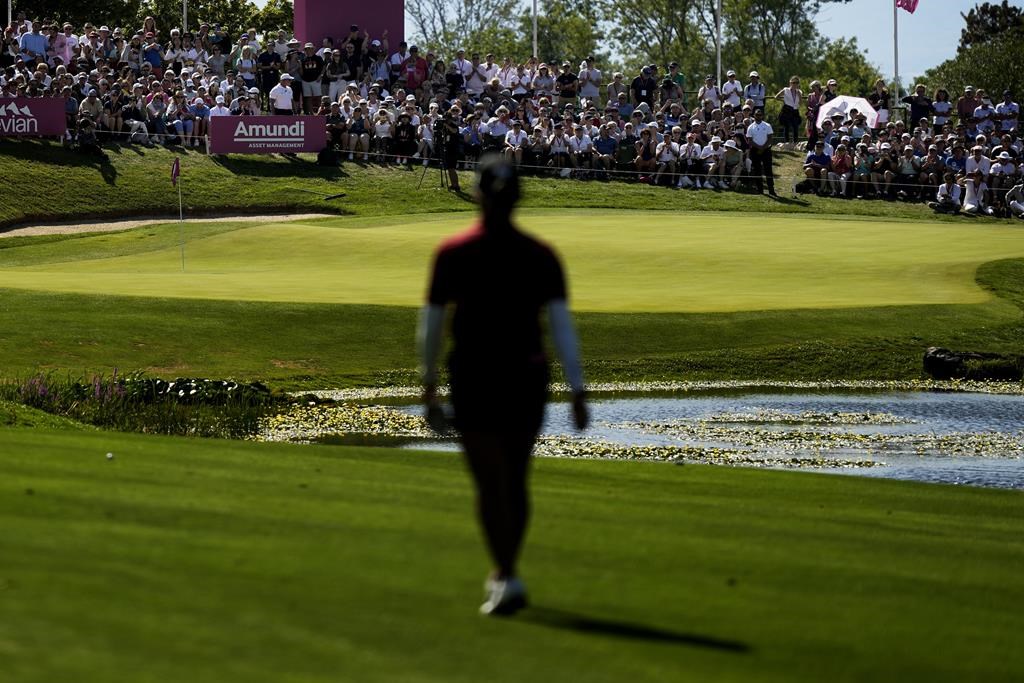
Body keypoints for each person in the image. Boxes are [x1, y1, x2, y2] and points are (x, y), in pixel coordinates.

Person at [418, 155, 589, 617]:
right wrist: (577, 388)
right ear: (517, 198)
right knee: (515, 477)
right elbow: (562, 327)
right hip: (525, 375)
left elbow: (432, 325)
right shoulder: (540, 254)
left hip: (474, 376)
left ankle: (505, 574)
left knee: (490, 482)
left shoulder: (453, 252)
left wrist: (428, 380)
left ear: (477, 194)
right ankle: (507, 573)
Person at [746, 108, 776, 196]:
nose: (758, 116)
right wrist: (759, 148)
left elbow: (770, 138)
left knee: (768, 170)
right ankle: (760, 190)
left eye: (760, 115)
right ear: (754, 116)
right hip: (755, 150)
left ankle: (771, 190)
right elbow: (750, 140)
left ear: (762, 116)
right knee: (757, 170)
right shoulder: (750, 127)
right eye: (756, 115)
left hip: (766, 150)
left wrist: (763, 148)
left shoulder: (767, 125)